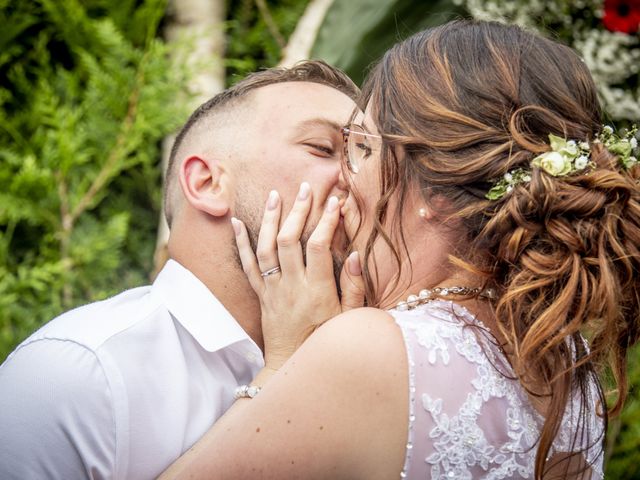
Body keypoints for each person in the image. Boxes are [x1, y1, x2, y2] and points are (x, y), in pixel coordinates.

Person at [160, 20, 640, 480]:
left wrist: (285, 363)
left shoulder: (371, 349)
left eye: (362, 149)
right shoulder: (564, 360)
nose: (344, 179)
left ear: (432, 193)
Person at [0, 61, 364, 479]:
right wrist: (286, 377)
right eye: (323, 148)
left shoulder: (383, 365)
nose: (359, 179)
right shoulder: (76, 376)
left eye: (365, 158)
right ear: (207, 183)